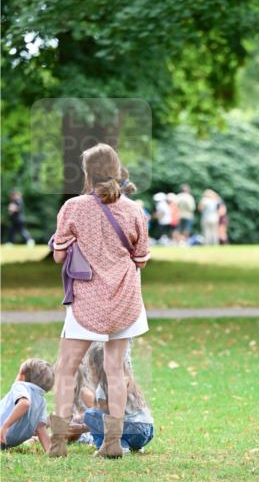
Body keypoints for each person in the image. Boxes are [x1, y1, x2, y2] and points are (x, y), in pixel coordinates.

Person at [48, 143, 151, 459]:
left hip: (87, 300)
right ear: (118, 170)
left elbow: (59, 254)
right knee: (115, 370)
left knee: (66, 367)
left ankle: (57, 442)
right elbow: (142, 259)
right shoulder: (135, 210)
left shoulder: (74, 208)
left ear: (87, 174)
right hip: (124, 300)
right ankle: (112, 443)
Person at [80, 341, 154, 454]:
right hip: (147, 431)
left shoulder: (103, 388)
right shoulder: (129, 383)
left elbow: (105, 416)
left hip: (131, 431)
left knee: (89, 415)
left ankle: (116, 445)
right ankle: (135, 446)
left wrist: (81, 425)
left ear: (96, 368)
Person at [0, 358, 54, 451]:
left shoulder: (20, 385)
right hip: (9, 441)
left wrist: (5, 426)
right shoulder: (41, 400)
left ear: (22, 376)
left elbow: (24, 404)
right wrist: (50, 451)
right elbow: (40, 429)